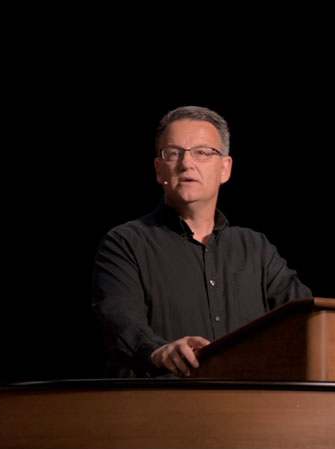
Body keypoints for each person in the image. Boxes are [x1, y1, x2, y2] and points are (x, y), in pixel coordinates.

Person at [92, 105, 312, 378]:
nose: (186, 164)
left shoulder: (255, 249)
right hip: (159, 410)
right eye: (173, 153)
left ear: (225, 169)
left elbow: (307, 321)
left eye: (202, 153)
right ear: (159, 170)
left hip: (250, 409)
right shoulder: (125, 243)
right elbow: (120, 323)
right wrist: (158, 351)